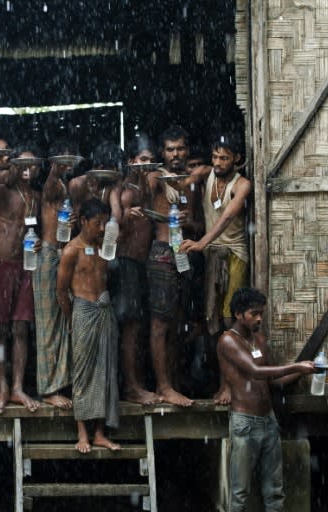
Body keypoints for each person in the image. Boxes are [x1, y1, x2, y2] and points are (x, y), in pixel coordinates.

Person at [217, 288, 316, 512]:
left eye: (261, 313)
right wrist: (296, 365)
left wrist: (304, 371)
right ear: (238, 314)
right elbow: (254, 371)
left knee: (274, 493)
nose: (259, 318)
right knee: (240, 494)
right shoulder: (228, 341)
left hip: (268, 421)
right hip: (245, 423)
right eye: (254, 313)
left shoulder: (259, 340)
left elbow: (273, 380)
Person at [181, 135, 252, 405]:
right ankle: (220, 383)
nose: (218, 163)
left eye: (224, 158)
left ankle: (230, 386)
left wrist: (202, 241)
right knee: (212, 324)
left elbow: (228, 216)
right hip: (212, 256)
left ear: (237, 159)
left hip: (234, 255)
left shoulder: (242, 185)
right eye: (215, 157)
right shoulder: (206, 173)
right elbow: (180, 183)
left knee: (230, 322)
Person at [144, 125, 201, 406]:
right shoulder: (157, 178)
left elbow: (200, 225)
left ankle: (175, 382)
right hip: (163, 253)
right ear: (162, 153)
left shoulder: (192, 181)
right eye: (170, 149)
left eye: (180, 148)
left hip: (185, 252)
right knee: (159, 324)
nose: (176, 154)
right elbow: (144, 185)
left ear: (187, 150)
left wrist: (191, 222)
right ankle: (163, 386)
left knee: (179, 323)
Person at [57, 198, 120, 453]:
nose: (102, 228)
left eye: (105, 223)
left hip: (104, 309)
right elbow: (61, 291)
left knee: (105, 371)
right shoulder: (72, 250)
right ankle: (82, 433)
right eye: (97, 223)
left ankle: (100, 433)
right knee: (82, 372)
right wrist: (73, 318)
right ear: (83, 221)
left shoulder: (105, 246)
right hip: (82, 309)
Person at [0, 143, 42, 414]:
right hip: (0, 266)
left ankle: (18, 387)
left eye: (32, 165)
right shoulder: (4, 192)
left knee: (21, 329)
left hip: (26, 266)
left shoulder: (36, 197)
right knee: (0, 331)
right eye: (22, 165)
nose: (27, 170)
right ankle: (2, 387)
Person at [108, 136, 161, 405]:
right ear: (130, 162)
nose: (147, 164)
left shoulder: (148, 186)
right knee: (128, 328)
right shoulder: (123, 189)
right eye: (142, 159)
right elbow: (113, 233)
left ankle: (134, 383)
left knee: (137, 328)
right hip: (125, 264)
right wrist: (126, 219)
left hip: (140, 265)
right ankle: (130, 387)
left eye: (150, 159)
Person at [31, 139, 77, 411]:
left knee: (64, 322)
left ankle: (61, 382)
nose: (66, 164)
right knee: (48, 325)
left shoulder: (68, 188)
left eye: (69, 159)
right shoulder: (51, 186)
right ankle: (47, 389)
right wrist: (54, 170)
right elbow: (49, 187)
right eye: (61, 160)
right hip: (48, 256)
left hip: (64, 254)